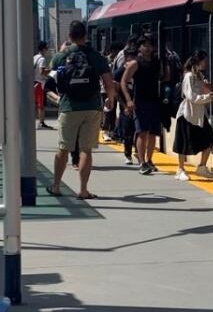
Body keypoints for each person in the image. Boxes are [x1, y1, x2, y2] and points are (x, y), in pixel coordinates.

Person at [46, 21, 115, 200]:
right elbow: (108, 82)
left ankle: (55, 186)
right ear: (85, 35)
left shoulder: (61, 57)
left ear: (69, 36)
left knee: (63, 148)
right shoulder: (96, 56)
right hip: (92, 107)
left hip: (69, 107)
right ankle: (83, 190)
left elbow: (49, 84)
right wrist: (110, 99)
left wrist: (57, 99)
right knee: (86, 149)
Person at [121, 35, 167, 175]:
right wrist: (128, 100)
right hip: (140, 101)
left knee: (153, 133)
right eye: (144, 45)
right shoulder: (135, 63)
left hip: (154, 100)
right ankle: (142, 162)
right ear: (140, 47)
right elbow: (124, 81)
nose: (147, 48)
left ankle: (149, 160)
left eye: (149, 45)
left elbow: (162, 76)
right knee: (142, 132)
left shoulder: (156, 62)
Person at [173, 50, 213, 181]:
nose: (207, 63)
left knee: (210, 139)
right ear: (198, 61)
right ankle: (180, 169)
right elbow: (191, 96)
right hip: (187, 113)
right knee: (183, 142)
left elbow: (205, 92)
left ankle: (202, 166)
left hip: (199, 114)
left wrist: (212, 95)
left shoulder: (200, 76)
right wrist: (207, 96)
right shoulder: (188, 76)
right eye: (205, 60)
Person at [114, 47, 138, 165]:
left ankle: (138, 153)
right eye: (130, 57)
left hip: (138, 103)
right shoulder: (119, 72)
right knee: (128, 131)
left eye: (134, 57)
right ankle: (128, 154)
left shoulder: (138, 68)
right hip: (125, 104)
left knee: (139, 130)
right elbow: (116, 91)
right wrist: (123, 106)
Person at [33, 41, 53, 130]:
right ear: (44, 49)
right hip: (40, 83)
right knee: (41, 104)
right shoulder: (42, 59)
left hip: (34, 83)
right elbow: (41, 71)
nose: (47, 49)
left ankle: (38, 121)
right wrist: (50, 71)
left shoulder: (35, 57)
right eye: (46, 48)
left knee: (36, 103)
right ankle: (41, 122)